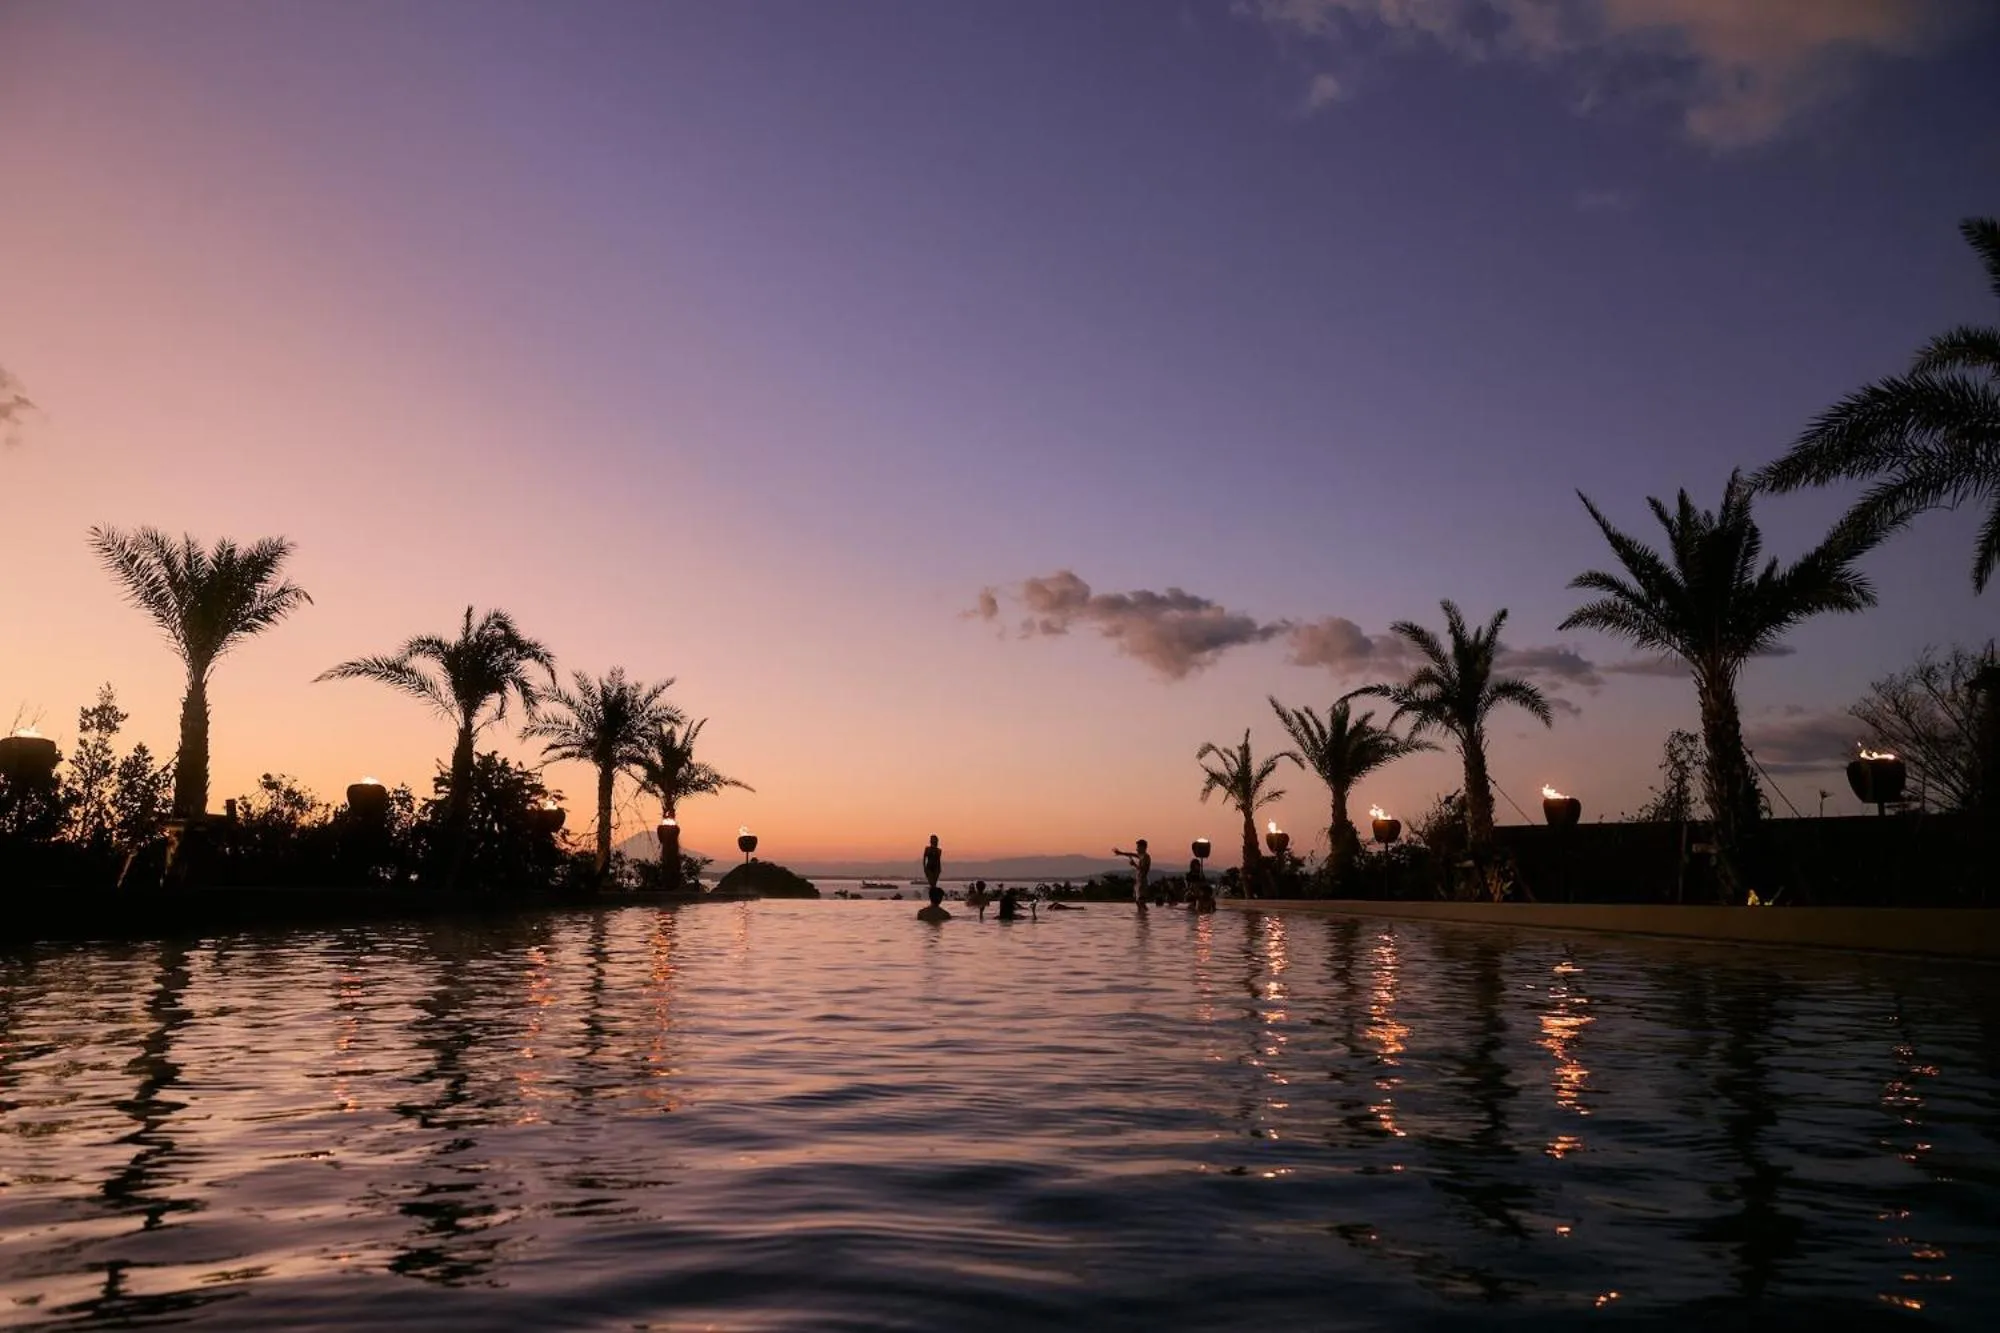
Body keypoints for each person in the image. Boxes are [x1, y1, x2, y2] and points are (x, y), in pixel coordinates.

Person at [1113, 839, 1151, 909]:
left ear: (1143, 847)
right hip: (1138, 881)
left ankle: (1145, 914)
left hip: (1142, 882)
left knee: (1141, 902)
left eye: (1138, 847)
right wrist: (1120, 853)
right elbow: (1131, 854)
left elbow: (1143, 869)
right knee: (1138, 902)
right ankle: (1142, 915)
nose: (1137, 849)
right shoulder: (1141, 856)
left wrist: (1134, 864)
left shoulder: (1146, 857)